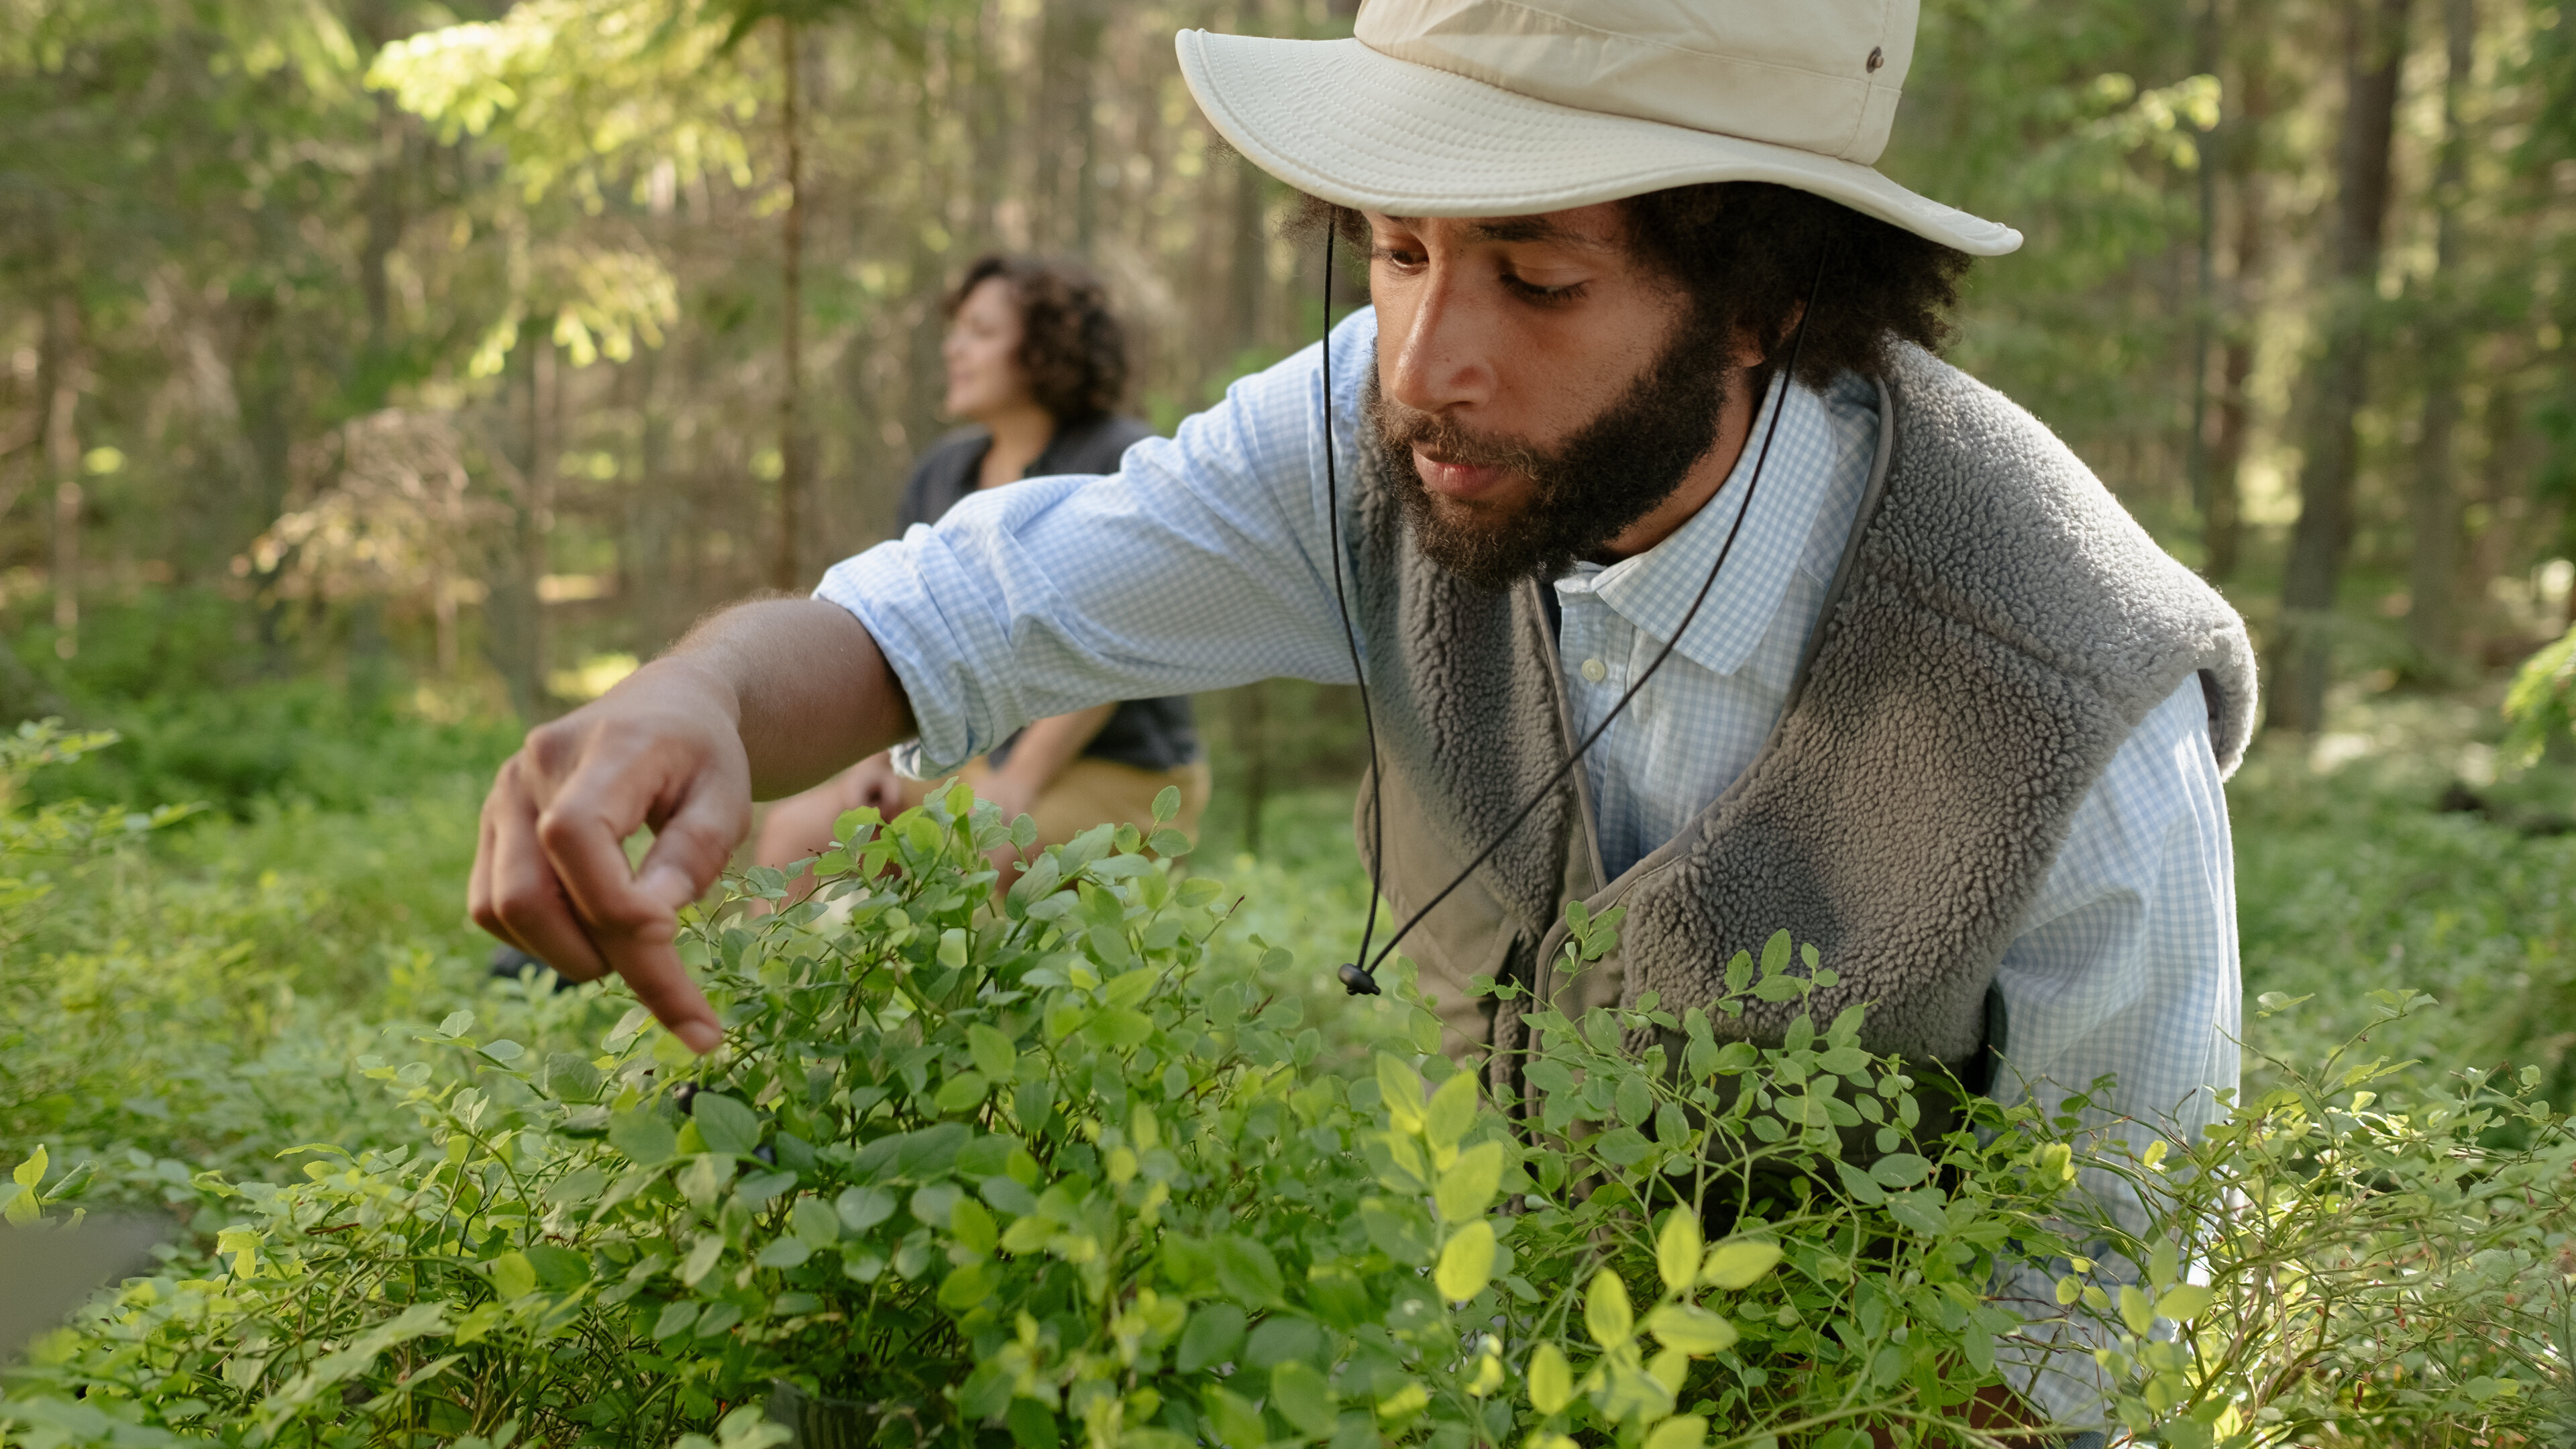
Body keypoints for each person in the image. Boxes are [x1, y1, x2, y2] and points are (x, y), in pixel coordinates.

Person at [466, 5, 2253, 1442]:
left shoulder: (2067, 691)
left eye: (1535, 281)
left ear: (1768, 297)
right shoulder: (1378, 441)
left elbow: (2109, 1300)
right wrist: (692, 691)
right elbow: (960, 614)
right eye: (1397, 253)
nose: (1420, 362)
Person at [751, 254, 1205, 873]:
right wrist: (870, 761)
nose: (954, 349)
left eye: (981, 332)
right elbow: (898, 631)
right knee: (795, 831)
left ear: (1047, 349)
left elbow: (1108, 644)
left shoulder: (1115, 455)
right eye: (957, 330)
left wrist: (1018, 781)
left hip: (1124, 770)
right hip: (975, 763)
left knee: (983, 855)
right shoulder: (942, 474)